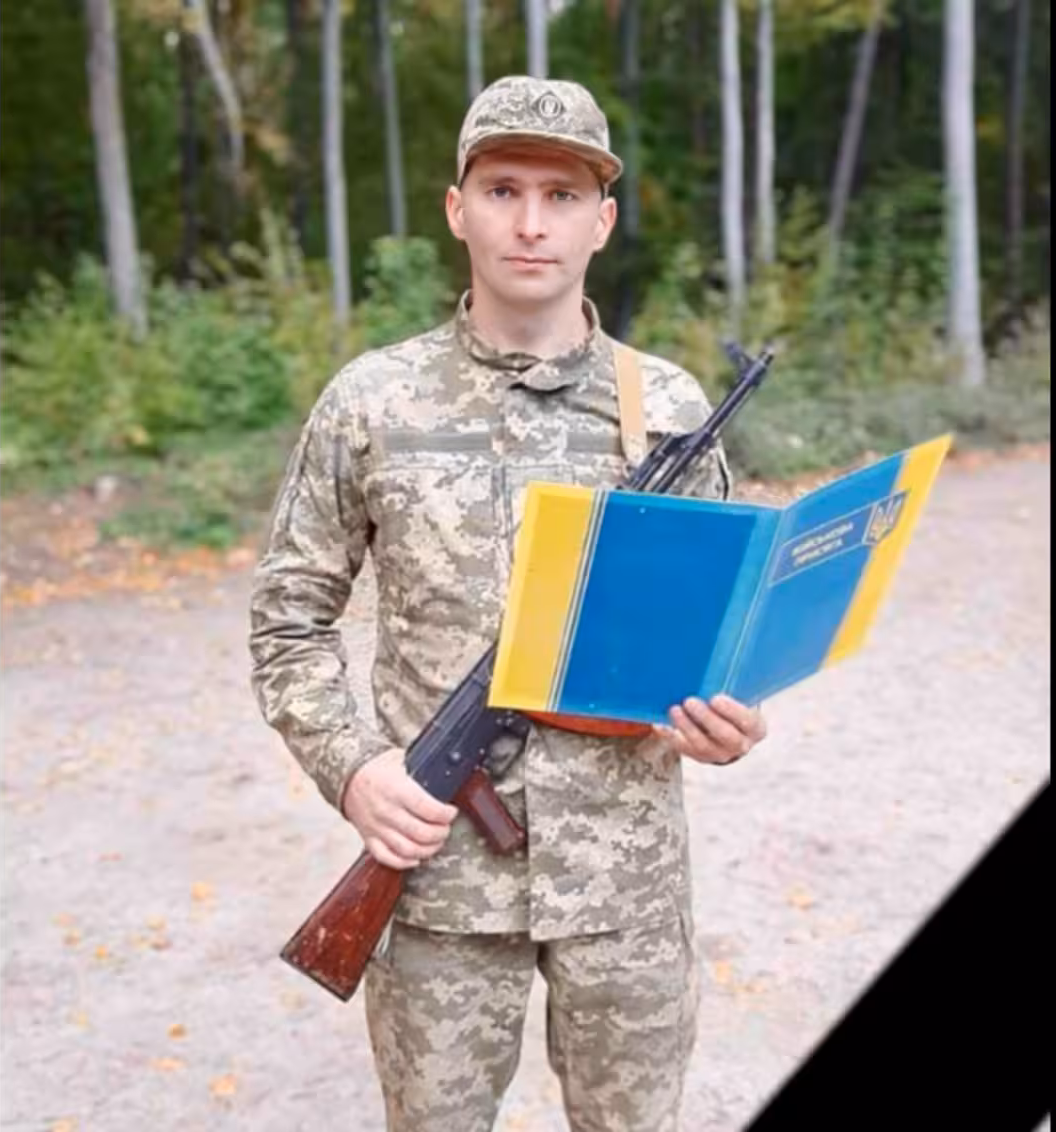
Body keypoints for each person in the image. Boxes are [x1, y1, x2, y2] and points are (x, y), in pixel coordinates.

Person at [250, 75, 768, 1132]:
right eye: (503, 190)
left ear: (602, 221)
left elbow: (719, 632)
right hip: (436, 881)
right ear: (458, 209)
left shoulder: (668, 409)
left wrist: (731, 713)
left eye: (562, 195)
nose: (532, 223)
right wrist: (354, 768)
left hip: (623, 884)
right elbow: (288, 618)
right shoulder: (373, 400)